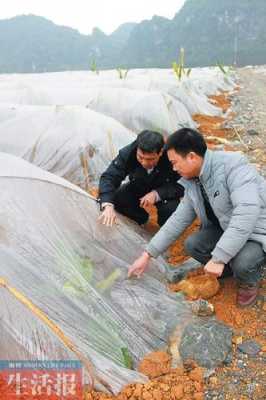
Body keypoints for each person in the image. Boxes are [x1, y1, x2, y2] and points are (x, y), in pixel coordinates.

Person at [128, 128, 266, 307]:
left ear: (192, 156)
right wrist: (147, 254)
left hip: (257, 231)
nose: (174, 168)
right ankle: (226, 270)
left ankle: (248, 280)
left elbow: (246, 214)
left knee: (244, 262)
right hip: (226, 227)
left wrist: (218, 258)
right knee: (193, 244)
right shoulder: (193, 180)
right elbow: (178, 219)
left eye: (175, 162)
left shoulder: (234, 167)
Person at [98, 130, 184, 227]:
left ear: (160, 152)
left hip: (164, 189)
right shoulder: (128, 153)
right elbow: (110, 176)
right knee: (117, 198)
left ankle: (165, 232)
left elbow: (182, 184)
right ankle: (142, 219)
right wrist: (108, 205)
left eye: (150, 159)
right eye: (140, 157)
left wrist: (157, 194)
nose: (144, 163)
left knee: (170, 210)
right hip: (139, 184)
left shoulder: (172, 157)